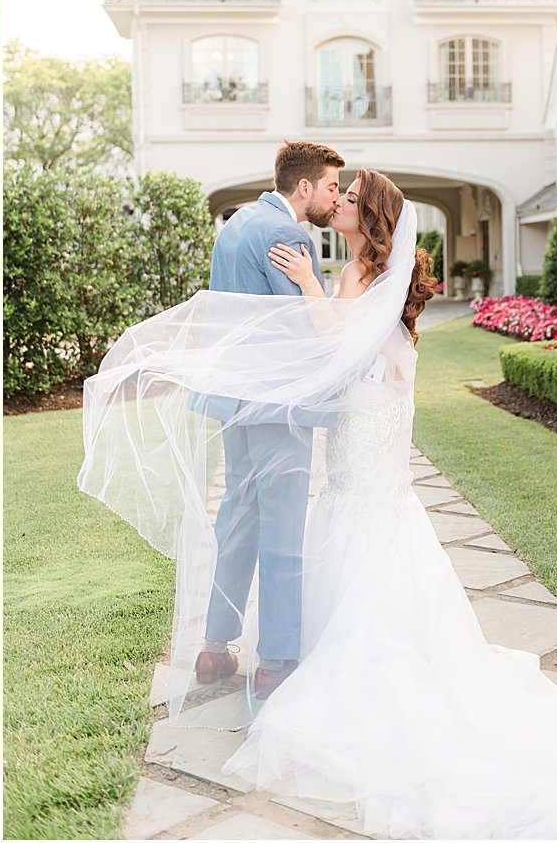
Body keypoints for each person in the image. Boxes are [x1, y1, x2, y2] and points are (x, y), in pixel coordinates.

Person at [80, 169, 557, 838]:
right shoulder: (369, 268)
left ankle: (357, 667)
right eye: (343, 194)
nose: (342, 203)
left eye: (353, 200)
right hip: (372, 423)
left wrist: (305, 284)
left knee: (353, 516)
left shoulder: (358, 269)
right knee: (366, 518)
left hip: (366, 423)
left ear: (373, 219)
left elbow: (335, 341)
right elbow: (362, 346)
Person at [196, 141, 342, 699]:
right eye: (331, 186)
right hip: (277, 400)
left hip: (235, 396)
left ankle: (213, 648)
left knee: (237, 514)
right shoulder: (289, 234)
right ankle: (276, 658)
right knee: (283, 524)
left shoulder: (236, 224)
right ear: (303, 187)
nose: (334, 196)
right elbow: (301, 325)